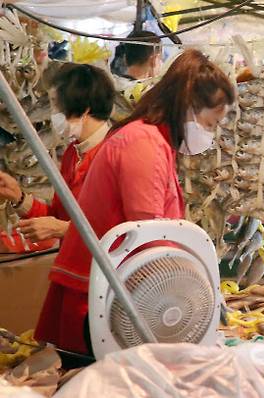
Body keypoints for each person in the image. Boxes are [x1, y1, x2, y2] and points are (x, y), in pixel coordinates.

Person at [33, 49, 235, 355]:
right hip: (101, 305)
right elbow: (150, 239)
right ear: (188, 108)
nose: (211, 133)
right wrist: (194, 292)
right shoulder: (143, 143)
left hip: (115, 297)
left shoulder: (153, 141)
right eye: (210, 123)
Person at [0, 63, 114, 245]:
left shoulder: (114, 156)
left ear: (84, 110)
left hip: (102, 271)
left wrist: (63, 229)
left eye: (55, 105)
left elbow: (119, 230)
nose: (52, 114)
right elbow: (56, 218)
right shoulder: (72, 153)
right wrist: (17, 196)